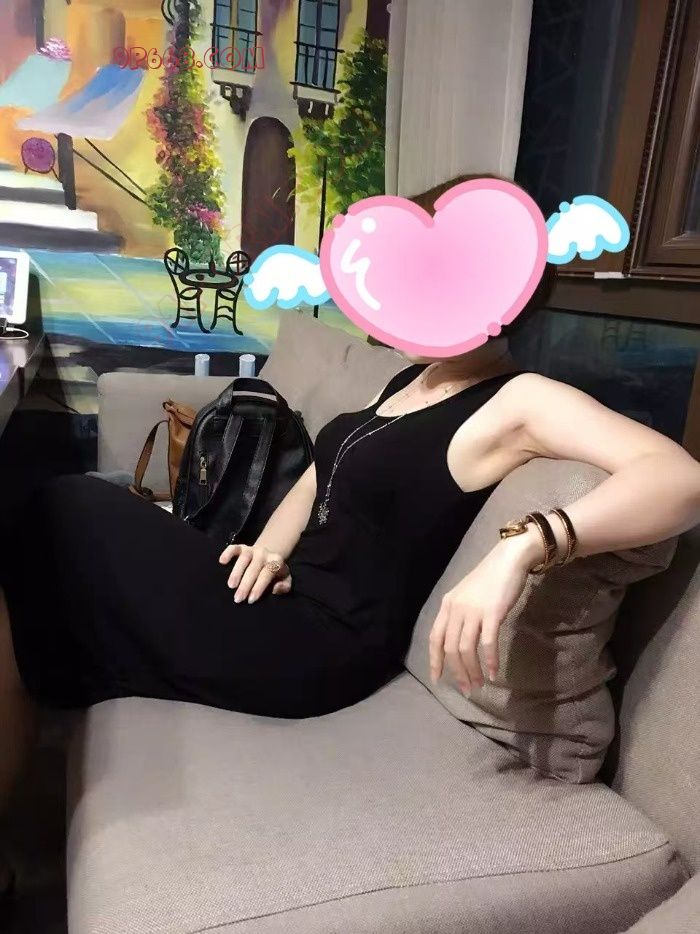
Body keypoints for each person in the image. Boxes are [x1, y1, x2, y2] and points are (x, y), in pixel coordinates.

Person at [2, 200, 700, 899]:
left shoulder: (520, 400)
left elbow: (679, 478)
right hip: (277, 595)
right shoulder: (410, 376)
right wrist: (270, 549)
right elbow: (318, 474)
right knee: (55, 535)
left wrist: (522, 547)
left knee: (71, 508)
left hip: (321, 644)